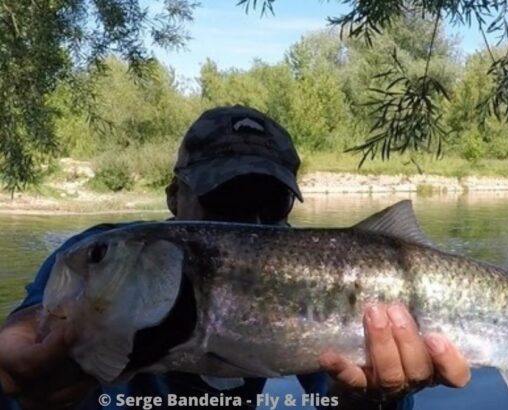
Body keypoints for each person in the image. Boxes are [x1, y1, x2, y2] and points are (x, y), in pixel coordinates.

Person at [0, 105, 470, 409]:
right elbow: (30, 329)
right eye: (226, 199)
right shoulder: (104, 253)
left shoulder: (317, 273)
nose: (249, 223)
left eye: (271, 204)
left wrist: (373, 399)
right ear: (173, 198)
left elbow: (338, 398)